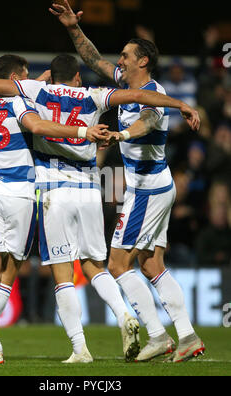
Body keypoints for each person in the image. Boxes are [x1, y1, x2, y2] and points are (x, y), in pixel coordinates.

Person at [0, 50, 199, 363]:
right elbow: (138, 94)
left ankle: (80, 349)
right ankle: (125, 315)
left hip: (55, 190)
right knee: (97, 265)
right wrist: (180, 104)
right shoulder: (94, 95)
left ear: (51, 76)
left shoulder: (36, 90)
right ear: (78, 77)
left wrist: (36, 80)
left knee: (64, 273)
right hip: (88, 190)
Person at [50, 0, 205, 363]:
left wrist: (121, 136)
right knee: (151, 264)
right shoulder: (124, 83)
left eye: (125, 55)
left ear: (143, 61)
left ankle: (157, 336)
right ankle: (187, 336)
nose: (118, 60)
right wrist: (73, 28)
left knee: (118, 264)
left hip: (146, 189)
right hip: (154, 186)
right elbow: (92, 60)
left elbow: (148, 122)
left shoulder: (154, 93)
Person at [0, 54, 108, 365]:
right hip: (22, 195)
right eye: (23, 78)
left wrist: (35, 81)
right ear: (15, 79)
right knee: (8, 273)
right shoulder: (17, 103)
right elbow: (38, 126)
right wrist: (82, 133)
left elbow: (4, 87)